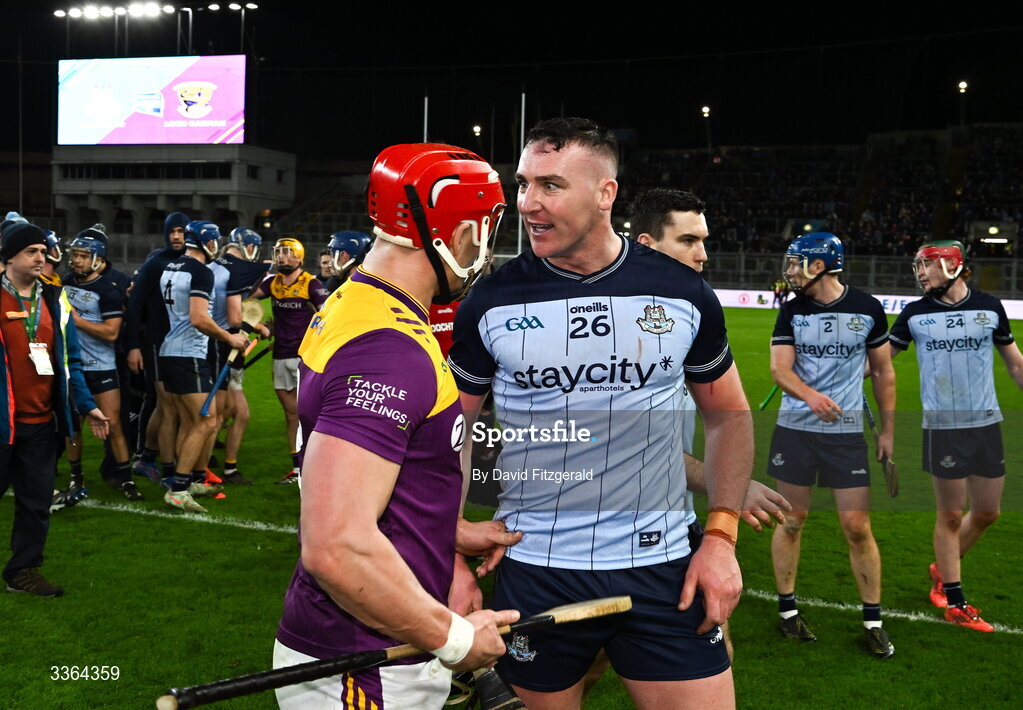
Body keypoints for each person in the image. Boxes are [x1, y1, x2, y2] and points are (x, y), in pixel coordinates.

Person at [449, 118, 753, 710]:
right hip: (536, 568)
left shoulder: (683, 294)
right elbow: (453, 435)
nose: (528, 204)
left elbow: (729, 419)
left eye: (551, 185)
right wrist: (449, 545)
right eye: (523, 183)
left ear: (605, 194)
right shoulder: (490, 298)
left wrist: (720, 538)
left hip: (664, 568)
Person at [273, 143, 519, 710]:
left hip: (370, 635)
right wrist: (455, 640)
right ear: (459, 236)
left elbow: (357, 473)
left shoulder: (359, 306)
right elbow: (336, 545)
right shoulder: (388, 350)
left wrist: (444, 532)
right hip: (364, 656)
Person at [631, 187, 791, 661]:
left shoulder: (687, 316)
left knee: (712, 652)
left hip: (672, 524)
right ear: (645, 245)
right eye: (687, 241)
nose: (703, 254)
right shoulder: (614, 326)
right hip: (607, 532)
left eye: (704, 240)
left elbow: (727, 419)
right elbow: (629, 446)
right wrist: (727, 484)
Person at [767, 232, 896, 658]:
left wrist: (888, 432)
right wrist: (810, 396)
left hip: (846, 437)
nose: (788, 271)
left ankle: (873, 620)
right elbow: (779, 370)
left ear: (818, 266)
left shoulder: (867, 308)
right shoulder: (791, 312)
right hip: (796, 430)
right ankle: (788, 611)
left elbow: (883, 374)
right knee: (792, 520)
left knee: (857, 527)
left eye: (795, 263)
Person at [889, 240, 1023, 633]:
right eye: (919, 267)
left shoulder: (990, 307)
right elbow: (878, 363)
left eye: (927, 266)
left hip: (986, 425)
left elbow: (1015, 364)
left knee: (987, 512)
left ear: (951, 265)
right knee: (949, 515)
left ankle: (941, 568)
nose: (921, 274)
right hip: (943, 430)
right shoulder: (913, 314)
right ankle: (955, 599)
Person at [1, 220, 109, 597]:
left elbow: (70, 362)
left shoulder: (53, 297)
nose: (41, 257)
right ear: (9, 256)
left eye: (43, 252)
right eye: (32, 251)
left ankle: (23, 571)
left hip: (41, 423)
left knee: (35, 503)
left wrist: (86, 405)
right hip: (3, 422)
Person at [158, 221, 248, 513]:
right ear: (206, 242)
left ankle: (188, 480)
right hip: (189, 354)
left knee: (190, 420)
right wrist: (230, 338)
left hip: (170, 350)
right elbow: (199, 318)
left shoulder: (172, 267)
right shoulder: (201, 272)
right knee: (208, 421)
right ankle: (179, 488)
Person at [61, 231, 142, 501]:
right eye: (75, 255)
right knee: (74, 427)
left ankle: (126, 480)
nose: (77, 261)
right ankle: (76, 476)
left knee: (114, 424)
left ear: (98, 260)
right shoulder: (65, 283)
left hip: (102, 367)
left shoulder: (107, 290)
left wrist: (75, 320)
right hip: (73, 368)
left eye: (83, 256)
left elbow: (111, 332)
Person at [254, 237, 329, 483]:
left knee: (307, 414)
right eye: (279, 252)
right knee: (291, 415)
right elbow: (246, 296)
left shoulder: (311, 284)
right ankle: (297, 468)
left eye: (287, 253)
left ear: (299, 257)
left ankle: (315, 465)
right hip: (279, 355)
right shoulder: (272, 283)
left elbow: (329, 316)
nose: (282, 257)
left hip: (303, 356)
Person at [126, 212, 189, 484]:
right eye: (172, 231)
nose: (176, 236)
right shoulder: (156, 263)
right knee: (168, 406)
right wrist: (133, 347)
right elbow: (135, 305)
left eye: (181, 231)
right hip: (156, 343)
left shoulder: (193, 263)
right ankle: (168, 469)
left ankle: (150, 457)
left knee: (172, 407)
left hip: (184, 345)